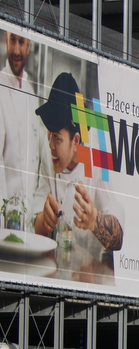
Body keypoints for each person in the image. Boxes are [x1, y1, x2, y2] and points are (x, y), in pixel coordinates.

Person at [32, 71, 123, 283]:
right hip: (56, 275)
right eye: (49, 134)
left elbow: (118, 237)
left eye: (57, 138)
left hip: (92, 280)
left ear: (76, 141)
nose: (51, 145)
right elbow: (36, 223)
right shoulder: (49, 156)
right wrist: (43, 222)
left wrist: (94, 221)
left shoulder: (98, 160)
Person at [0, 31, 43, 228]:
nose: (16, 50)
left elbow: (35, 162)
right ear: (6, 40)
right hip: (5, 218)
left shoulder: (31, 93)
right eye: (13, 41)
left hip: (27, 222)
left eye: (22, 42)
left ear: (28, 46)